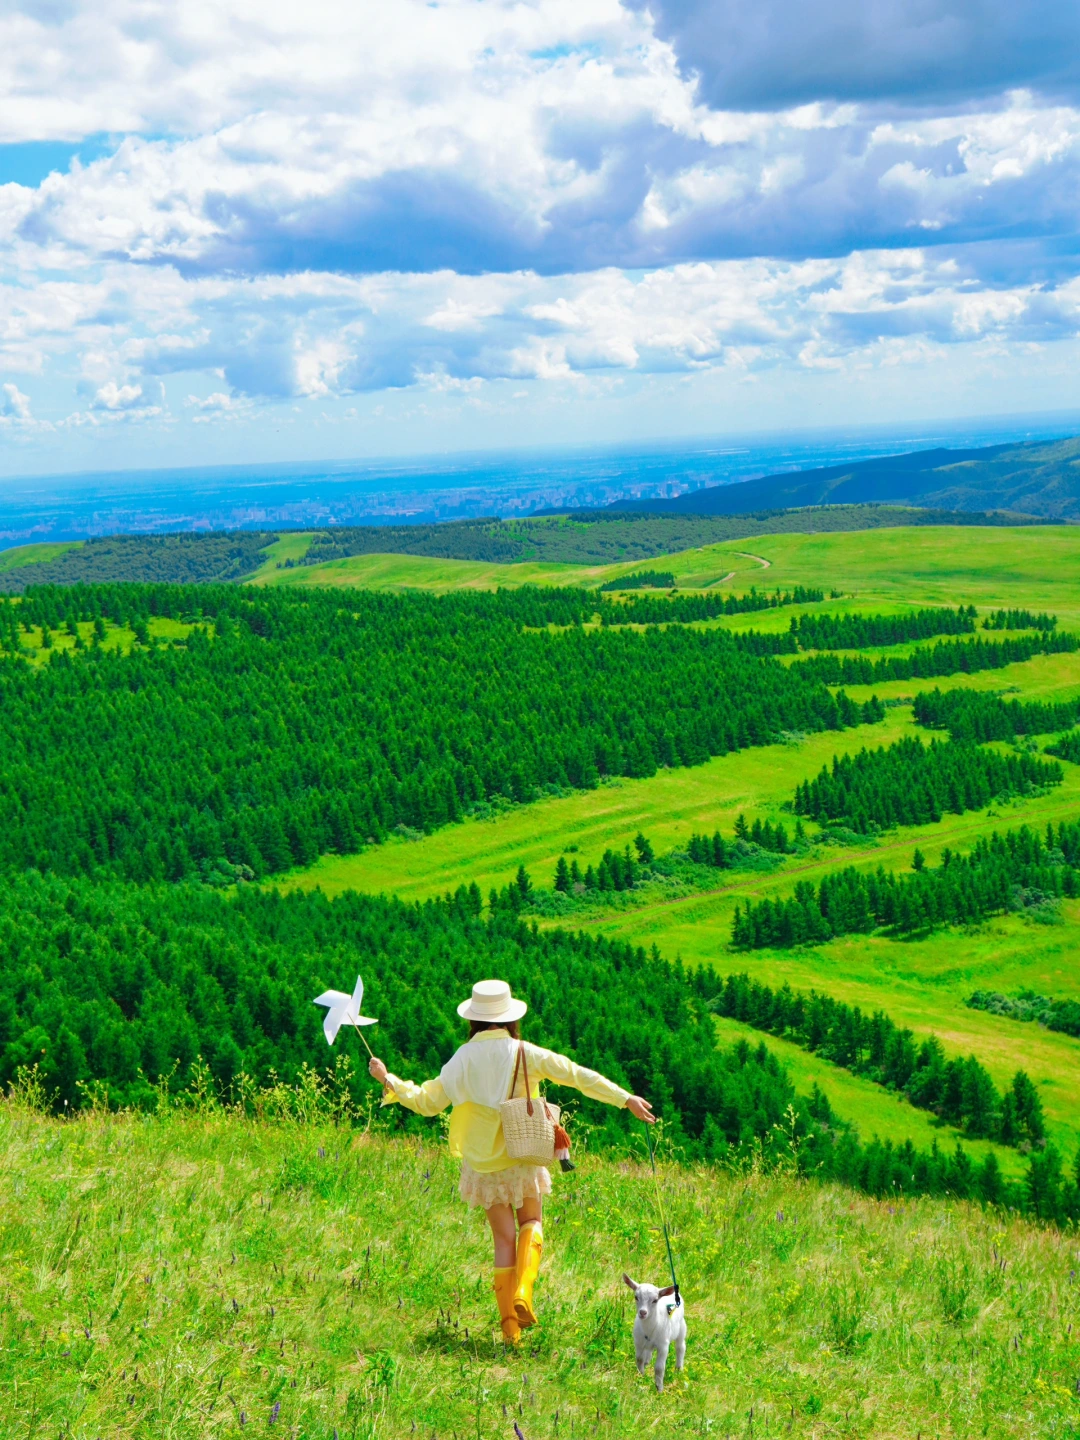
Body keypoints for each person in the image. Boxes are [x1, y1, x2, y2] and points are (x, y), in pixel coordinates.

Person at [367, 978, 656, 1344]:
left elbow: (426, 1102)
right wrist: (624, 1097)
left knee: (503, 1238)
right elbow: (576, 1075)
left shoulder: (461, 1059)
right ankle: (524, 1291)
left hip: (483, 1163)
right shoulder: (525, 1052)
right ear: (509, 1018)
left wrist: (389, 1079)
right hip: (522, 1153)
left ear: (473, 1020)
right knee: (531, 1221)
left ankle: (510, 1334)